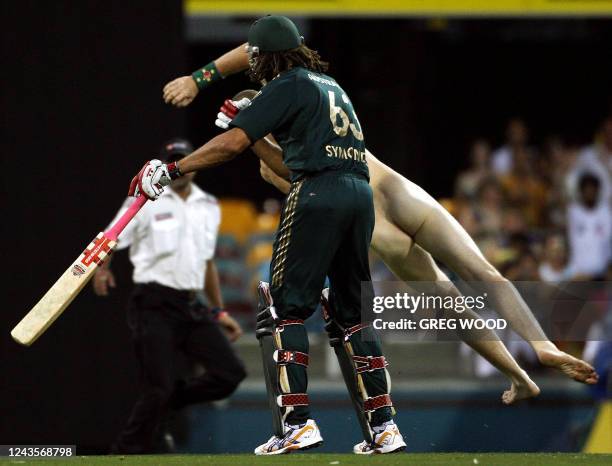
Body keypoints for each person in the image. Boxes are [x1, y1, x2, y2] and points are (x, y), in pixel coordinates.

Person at [161, 41, 599, 390]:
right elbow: (260, 49)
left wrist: (232, 117)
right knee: (477, 277)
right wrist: (220, 95)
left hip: (376, 216)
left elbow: (303, 186)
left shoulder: (282, 124)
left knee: (449, 298)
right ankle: (533, 354)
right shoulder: (316, 95)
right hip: (395, 188)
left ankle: (525, 367)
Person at [131, 16, 406, 455]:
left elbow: (230, 147)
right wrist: (255, 132)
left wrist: (171, 171)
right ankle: (384, 427)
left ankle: (296, 422)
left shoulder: (286, 84)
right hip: (357, 197)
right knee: (350, 316)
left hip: (318, 193)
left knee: (282, 309)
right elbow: (284, 165)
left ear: (262, 57)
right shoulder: (330, 87)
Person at [94, 138, 246, 454]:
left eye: (185, 160)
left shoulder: (207, 204)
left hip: (191, 305)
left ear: (196, 162)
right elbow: (112, 234)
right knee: (157, 387)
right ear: (165, 164)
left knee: (230, 374)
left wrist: (219, 312)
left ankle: (168, 404)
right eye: (174, 160)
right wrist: (102, 269)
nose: (181, 167)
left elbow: (206, 262)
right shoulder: (144, 200)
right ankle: (124, 451)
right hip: (153, 303)